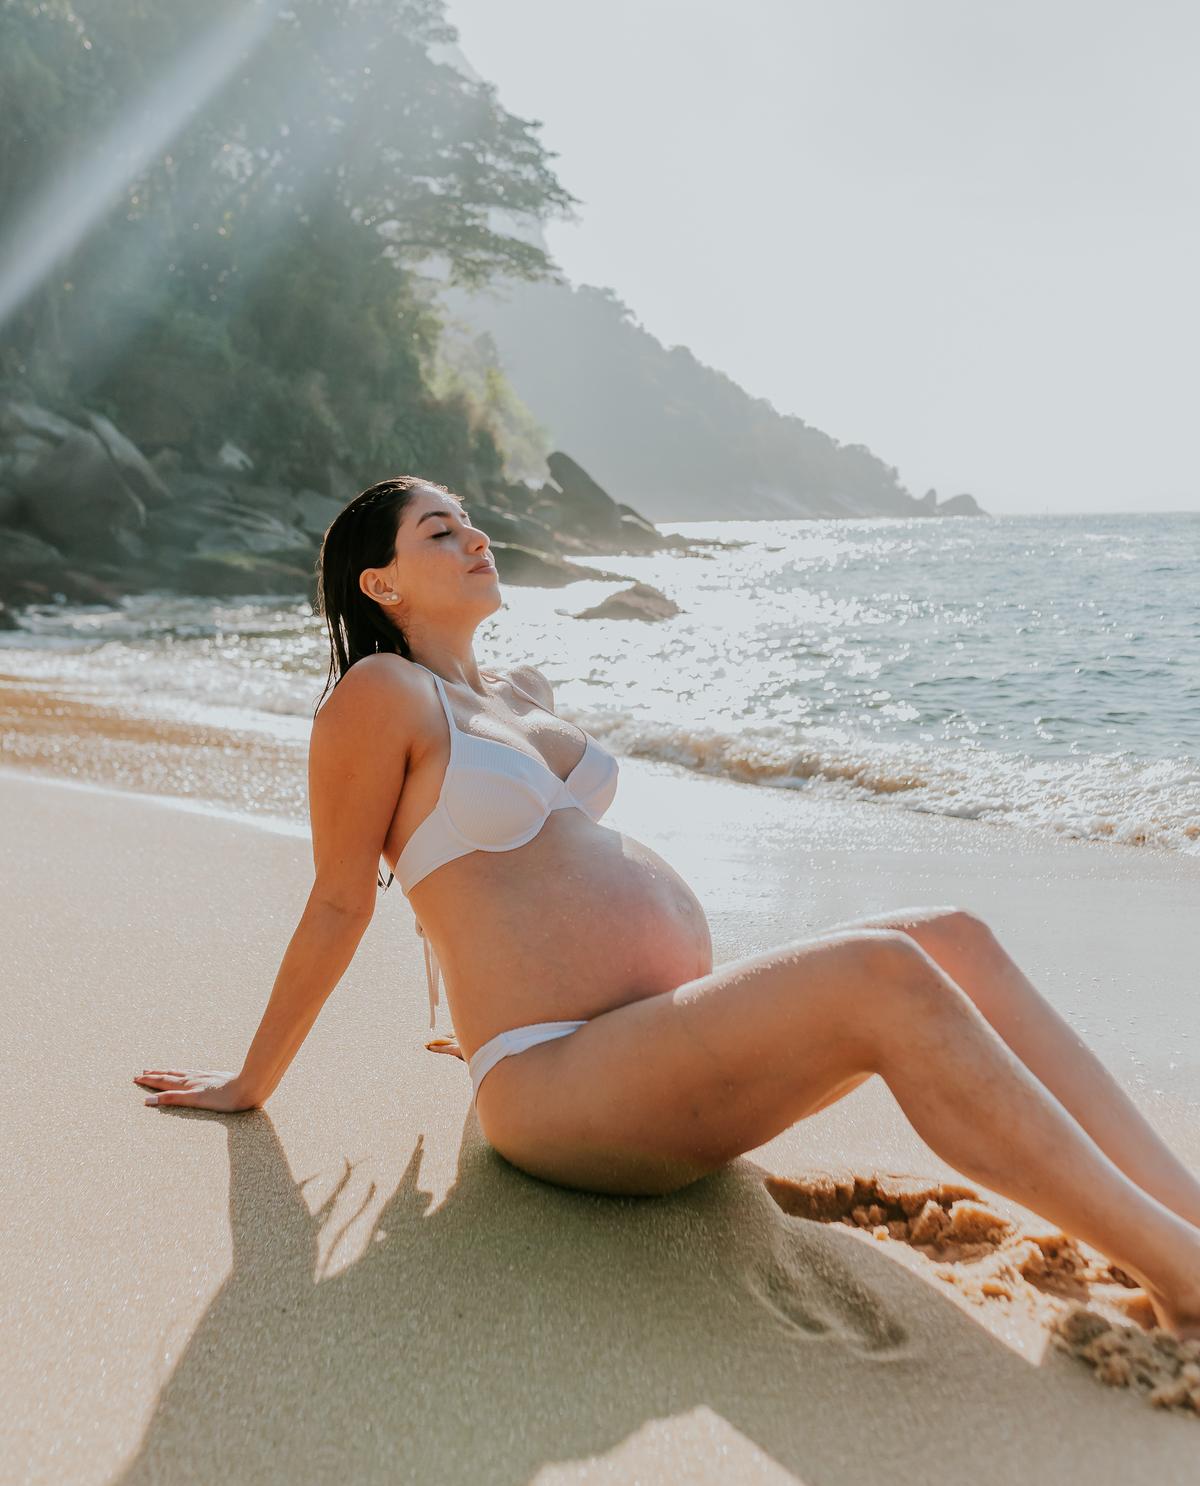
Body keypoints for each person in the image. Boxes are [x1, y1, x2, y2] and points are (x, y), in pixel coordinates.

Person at [136, 477, 1200, 1338]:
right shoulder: (380, 694)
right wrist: (250, 1080)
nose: (476, 535)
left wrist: (443, 1003)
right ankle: (1182, 1273)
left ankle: (1184, 1211)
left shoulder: (523, 692)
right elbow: (339, 899)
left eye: (471, 519)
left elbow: (486, 880)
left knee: (953, 937)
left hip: (650, 1045)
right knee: (886, 973)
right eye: (440, 529)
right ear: (382, 582)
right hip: (556, 1074)